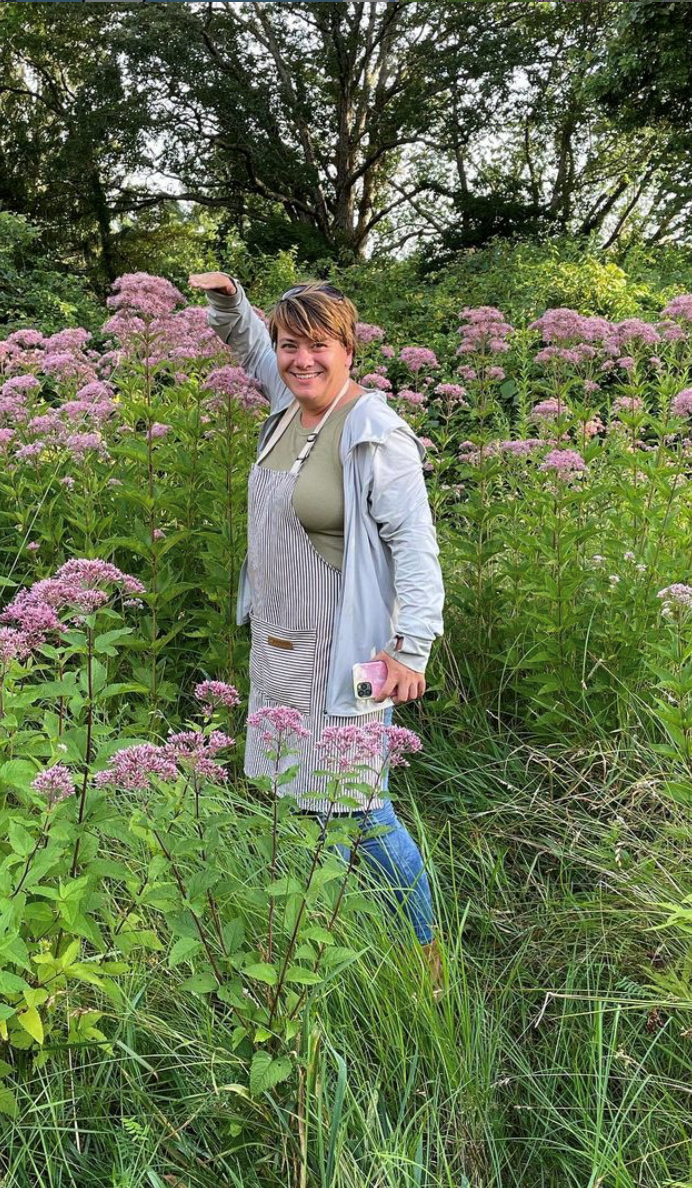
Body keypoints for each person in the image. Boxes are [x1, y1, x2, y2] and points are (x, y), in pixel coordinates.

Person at [187, 272, 445, 984]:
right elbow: (251, 349)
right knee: (305, 804)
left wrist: (411, 647)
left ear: (348, 347)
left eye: (318, 345)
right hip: (278, 644)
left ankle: (424, 957)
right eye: (290, 344)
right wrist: (228, 302)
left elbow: (416, 547)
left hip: (350, 651)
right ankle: (321, 941)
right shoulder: (289, 407)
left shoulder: (373, 433)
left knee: (360, 808)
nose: (302, 359)